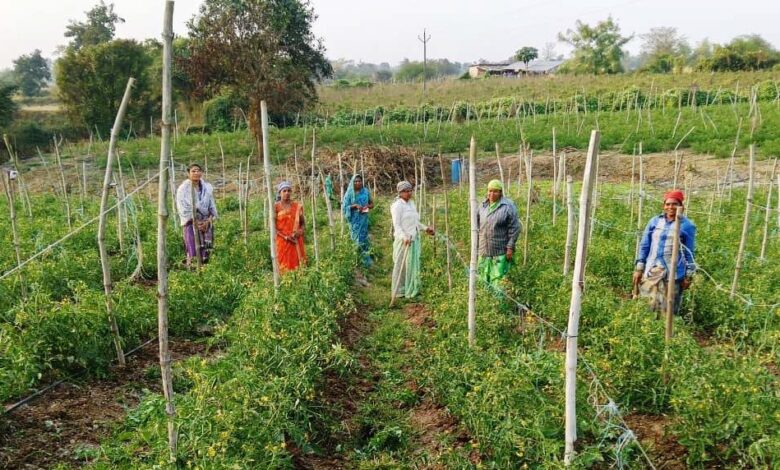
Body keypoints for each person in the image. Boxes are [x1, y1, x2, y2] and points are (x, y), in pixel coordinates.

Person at [633, 189, 696, 315]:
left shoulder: (687, 225)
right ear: (664, 206)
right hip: (653, 268)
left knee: (669, 309)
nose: (670, 207)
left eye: (675, 204)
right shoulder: (655, 221)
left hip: (674, 273)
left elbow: (689, 252)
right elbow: (645, 245)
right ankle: (649, 328)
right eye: (668, 204)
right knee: (647, 304)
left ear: (681, 206)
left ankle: (666, 333)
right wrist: (640, 267)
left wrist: (688, 275)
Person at [390, 181, 434, 301]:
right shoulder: (397, 206)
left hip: (413, 239)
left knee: (412, 265)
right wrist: (404, 237)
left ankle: (412, 288)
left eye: (410, 190)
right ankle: (399, 291)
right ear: (400, 193)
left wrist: (425, 228)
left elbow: (415, 222)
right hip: (403, 241)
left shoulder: (411, 204)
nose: (409, 193)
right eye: (406, 191)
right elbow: (397, 225)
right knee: (401, 266)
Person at [477, 179, 520, 288]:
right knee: (483, 279)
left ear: (501, 192)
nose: (492, 194)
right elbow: (477, 226)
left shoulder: (508, 206)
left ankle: (499, 305)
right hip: (484, 251)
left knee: (499, 282)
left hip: (500, 252)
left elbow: (514, 228)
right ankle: (486, 304)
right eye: (490, 191)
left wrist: (510, 247)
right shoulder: (482, 206)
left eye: (495, 191)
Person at [176, 163, 217, 267]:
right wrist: (196, 223)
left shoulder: (207, 188)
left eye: (198, 170)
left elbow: (212, 207)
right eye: (193, 171)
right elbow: (183, 209)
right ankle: (193, 268)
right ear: (188, 174)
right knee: (193, 248)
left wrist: (208, 221)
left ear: (202, 172)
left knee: (208, 248)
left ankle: (207, 265)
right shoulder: (183, 190)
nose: (196, 173)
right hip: (191, 223)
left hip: (206, 223)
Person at [342, 174, 374, 269]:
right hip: (354, 221)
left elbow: (372, 204)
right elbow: (344, 207)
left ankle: (365, 258)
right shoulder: (349, 194)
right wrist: (355, 206)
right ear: (352, 182)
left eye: (359, 181)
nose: (358, 183)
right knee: (356, 238)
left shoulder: (365, 192)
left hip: (364, 219)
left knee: (364, 237)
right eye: (355, 181)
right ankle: (356, 258)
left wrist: (367, 206)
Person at [275, 181, 307, 273]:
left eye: (289, 191)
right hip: (282, 241)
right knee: (284, 266)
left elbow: (302, 223)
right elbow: (273, 227)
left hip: (296, 239)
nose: (287, 193)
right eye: (284, 191)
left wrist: (300, 231)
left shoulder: (297, 206)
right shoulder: (275, 207)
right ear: (280, 193)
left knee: (299, 265)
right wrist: (285, 237)